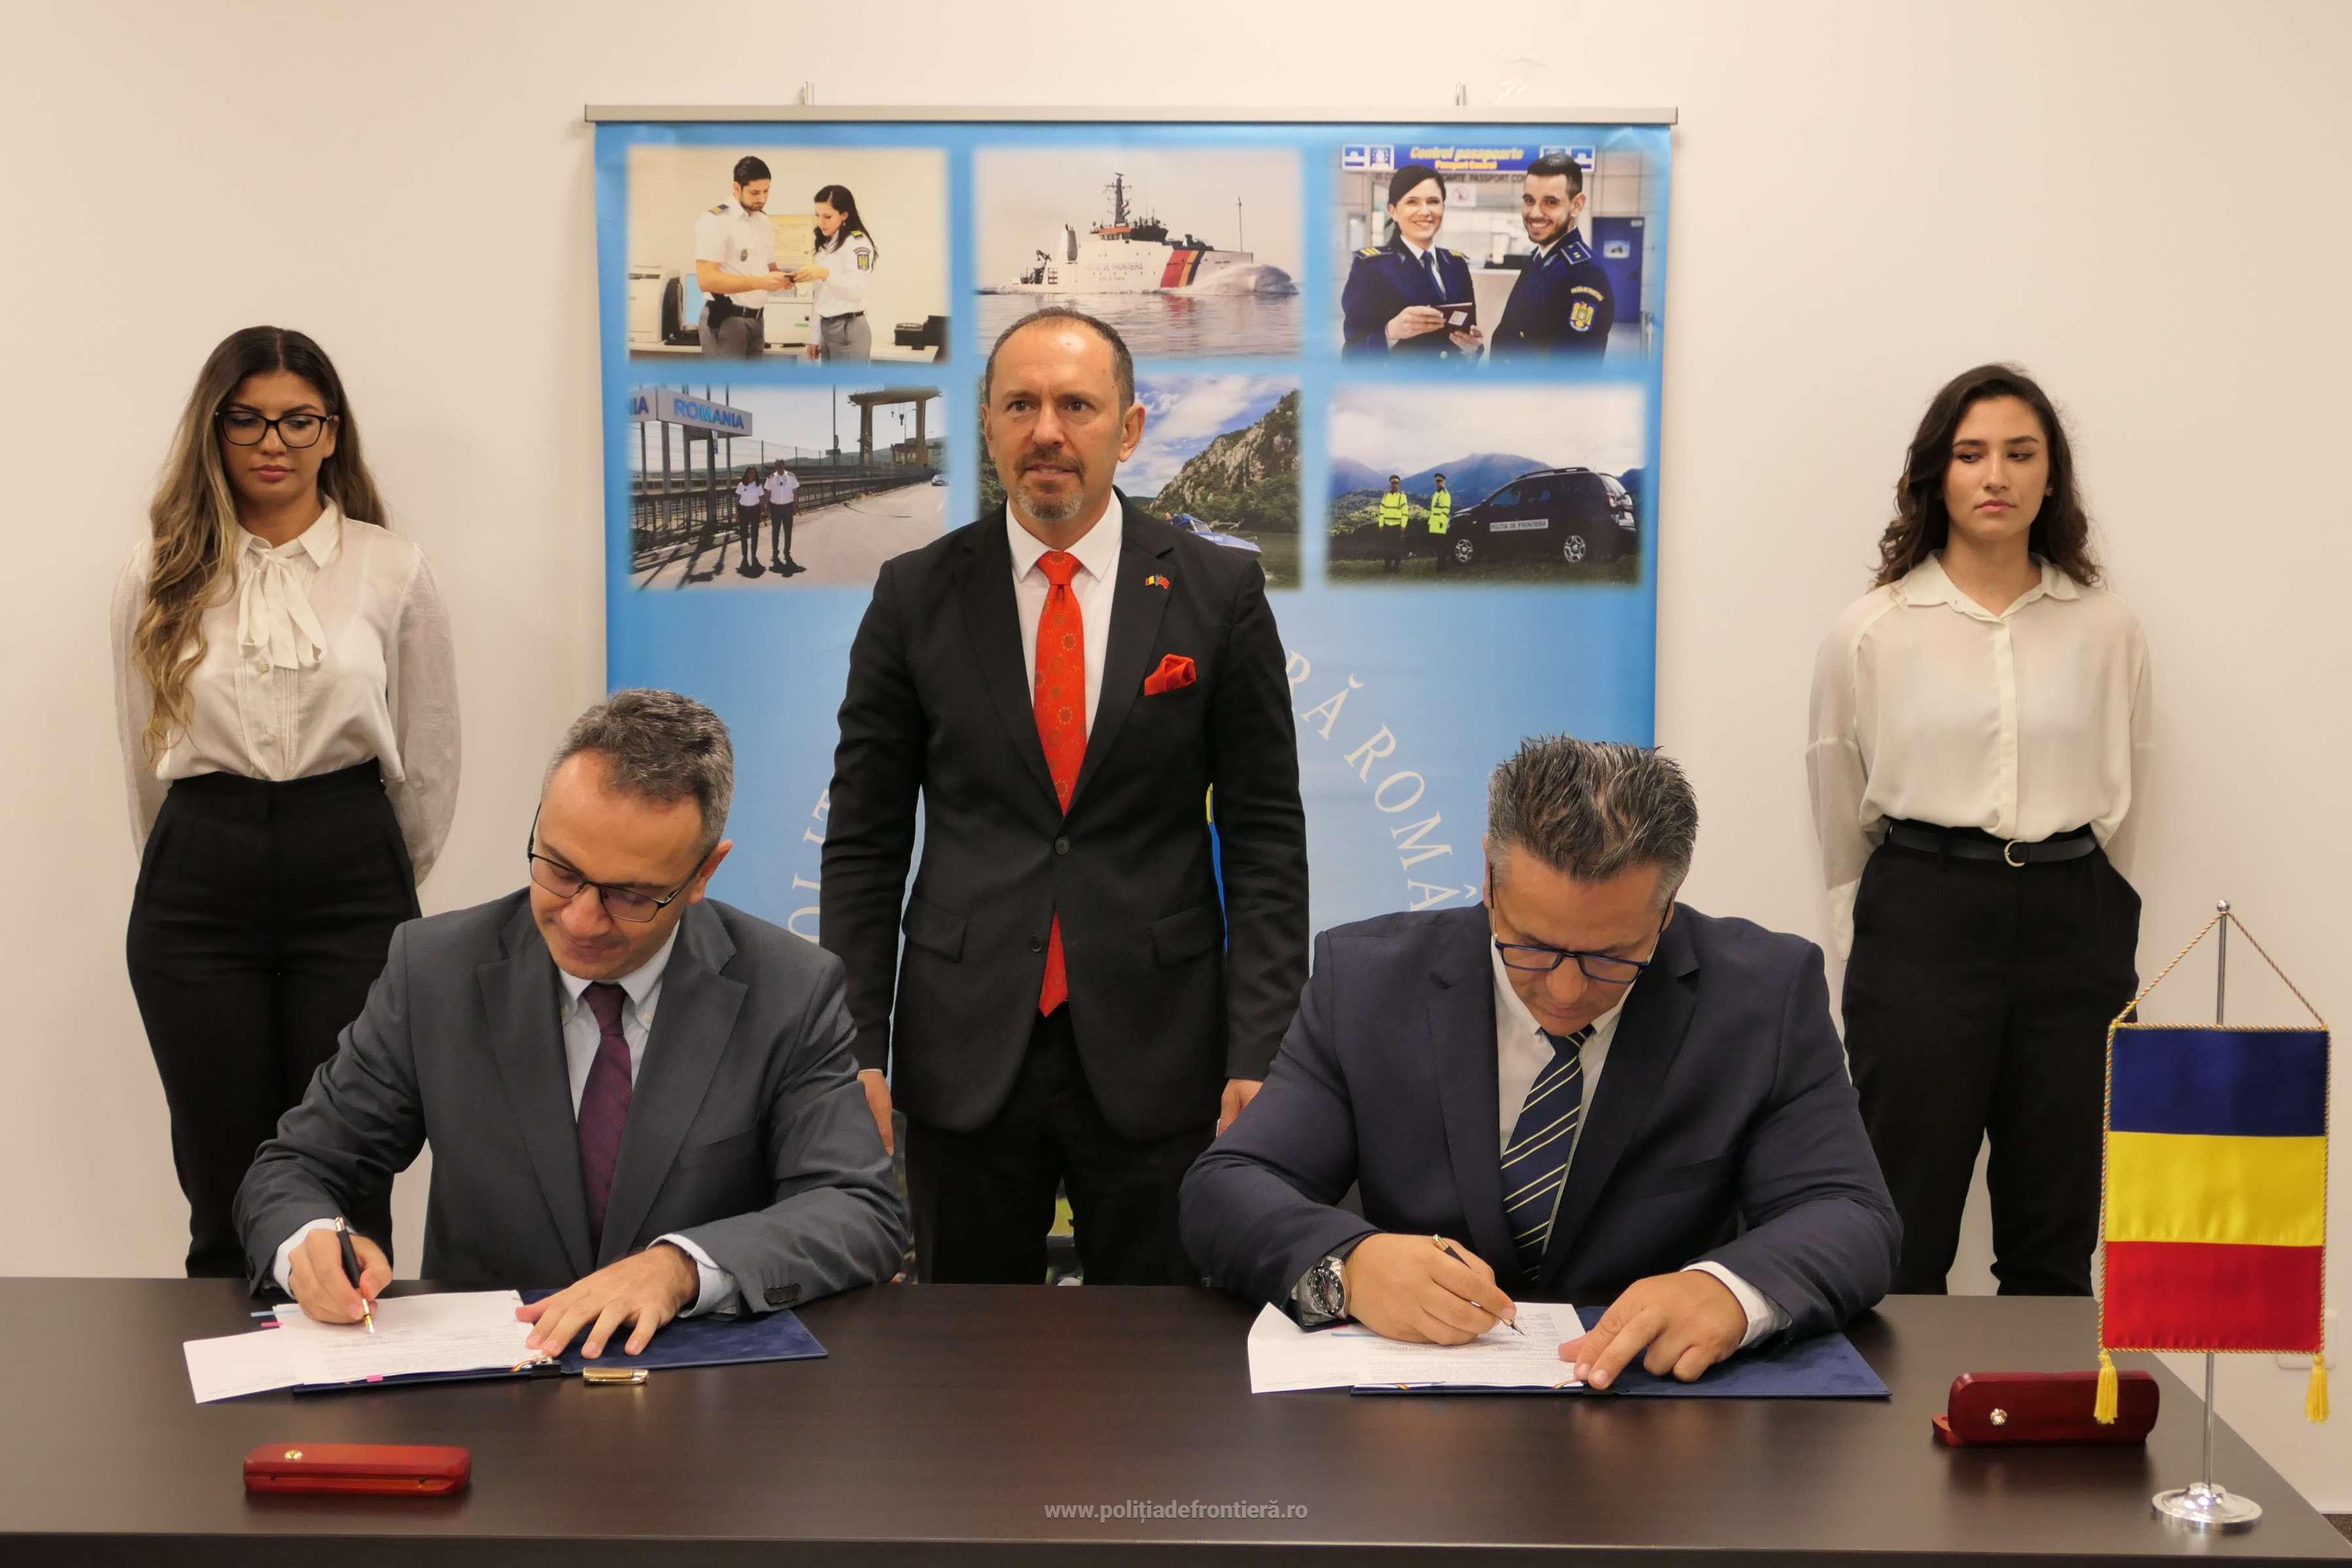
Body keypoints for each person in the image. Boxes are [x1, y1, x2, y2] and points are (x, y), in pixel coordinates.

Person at [822, 306, 1308, 1286]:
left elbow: (1264, 840)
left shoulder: (1220, 591)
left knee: (1166, 1353)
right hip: (964, 1055)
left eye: (1076, 406)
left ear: (1128, 429)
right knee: (961, 1355)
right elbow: (866, 844)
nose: (1046, 430)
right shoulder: (913, 594)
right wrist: (855, 1049)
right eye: (1021, 405)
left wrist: (1261, 1052)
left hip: (1162, 1054)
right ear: (989, 426)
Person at [1183, 737, 1898, 1386]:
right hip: (1416, 1417)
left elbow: (1851, 1213)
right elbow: (1227, 1187)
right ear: (1489, 883)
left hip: (1654, 1406)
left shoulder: (1763, 997)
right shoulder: (1368, 983)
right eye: (1531, 947)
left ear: (1668, 908)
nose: (1565, 990)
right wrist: (1351, 1268)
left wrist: (1729, 1292)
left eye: (1611, 957)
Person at [236, 690, 904, 1355]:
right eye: (559, 869)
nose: (581, 919)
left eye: (630, 894)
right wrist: (307, 1242)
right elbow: (296, 1168)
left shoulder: (789, 989)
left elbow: (858, 1209)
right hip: (489, 1385)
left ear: (704, 873)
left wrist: (679, 1269)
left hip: (703, 1385)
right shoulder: (435, 971)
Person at [112, 325, 457, 1279]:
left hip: (349, 872)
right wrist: (192, 860)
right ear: (214, 430)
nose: (274, 442)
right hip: (198, 879)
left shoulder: (392, 567)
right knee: (221, 1183)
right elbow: (143, 756)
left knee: (349, 1173)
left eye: (299, 420)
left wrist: (372, 868)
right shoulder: (159, 569)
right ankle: (226, 1371)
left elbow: (428, 756)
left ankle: (356, 1361)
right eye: (249, 420)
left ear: (332, 432)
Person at [1809, 365, 2149, 1298]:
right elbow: (1837, 800)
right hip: (1922, 918)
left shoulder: (2108, 629)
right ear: (1937, 474)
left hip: (2074, 927)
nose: (1995, 475)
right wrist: (1871, 944)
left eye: (2019, 453)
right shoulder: (1872, 630)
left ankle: (2044, 1396)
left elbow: (2130, 793)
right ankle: (1890, 1400)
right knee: (1902, 1228)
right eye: (1970, 454)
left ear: (2052, 476)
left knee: (2055, 1228)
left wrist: (2103, 910)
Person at [1340, 164, 1482, 361]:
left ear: (1443, 207)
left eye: (1433, 201)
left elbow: (1467, 340)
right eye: (1412, 202)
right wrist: (1390, 333)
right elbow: (1352, 355)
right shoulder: (1371, 268)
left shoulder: (1456, 265)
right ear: (1394, 211)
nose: (1425, 211)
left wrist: (1472, 350)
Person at [1488, 154, 1615, 363]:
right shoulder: (1538, 258)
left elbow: (1575, 369)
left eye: (1550, 202)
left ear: (1576, 205)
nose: (1535, 213)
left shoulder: (1585, 273)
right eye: (1529, 200)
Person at [694, 155, 792, 359]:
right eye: (755, 193)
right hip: (727, 320)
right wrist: (761, 282)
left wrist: (788, 278)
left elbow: (770, 268)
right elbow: (706, 280)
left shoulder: (762, 221)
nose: (762, 199)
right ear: (737, 188)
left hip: (757, 320)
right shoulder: (715, 220)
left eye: (766, 191)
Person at [796, 185, 876, 363]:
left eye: (827, 217)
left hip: (848, 328)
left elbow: (857, 292)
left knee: (847, 382)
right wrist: (814, 337)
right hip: (827, 326)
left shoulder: (857, 243)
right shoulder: (826, 245)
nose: (821, 222)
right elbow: (820, 295)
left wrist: (825, 274)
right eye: (818, 215)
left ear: (844, 215)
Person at [765, 460, 804, 575]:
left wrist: (796, 506)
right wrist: (767, 507)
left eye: (780, 465)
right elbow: (767, 493)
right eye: (777, 466)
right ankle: (775, 553)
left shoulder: (791, 477)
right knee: (775, 532)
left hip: (788, 507)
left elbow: (795, 492)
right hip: (775, 508)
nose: (779, 467)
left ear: (784, 465)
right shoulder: (771, 478)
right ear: (775, 467)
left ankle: (787, 552)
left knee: (788, 531)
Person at [1374, 474, 1411, 573]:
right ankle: (1387, 566)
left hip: (1397, 526)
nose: (1395, 485)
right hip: (1387, 526)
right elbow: (1382, 512)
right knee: (1387, 547)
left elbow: (1405, 513)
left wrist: (1403, 526)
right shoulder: (1386, 496)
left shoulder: (1402, 496)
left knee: (1397, 548)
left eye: (1396, 483)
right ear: (1391, 484)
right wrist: (1381, 525)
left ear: (1399, 484)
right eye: (1393, 483)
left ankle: (1397, 566)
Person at [1427, 472, 1454, 572]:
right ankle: (1440, 564)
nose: (1438, 483)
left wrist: (1441, 523)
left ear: (1443, 482)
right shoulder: (1436, 494)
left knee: (1441, 546)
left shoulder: (1445, 495)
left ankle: (1442, 567)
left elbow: (1446, 510)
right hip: (1434, 524)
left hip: (1440, 524)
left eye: (1439, 481)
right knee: (1438, 546)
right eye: (1437, 481)